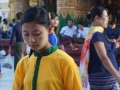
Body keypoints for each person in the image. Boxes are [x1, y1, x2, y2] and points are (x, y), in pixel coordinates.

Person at [12, 6, 82, 90]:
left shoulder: (65, 62)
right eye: (26, 34)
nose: (31, 40)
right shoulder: (22, 64)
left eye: (37, 34)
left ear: (49, 30)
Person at [80, 6, 120, 90]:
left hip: (104, 76)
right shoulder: (96, 34)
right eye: (105, 16)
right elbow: (103, 58)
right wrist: (117, 76)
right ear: (97, 18)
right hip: (102, 76)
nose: (108, 19)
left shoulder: (96, 33)